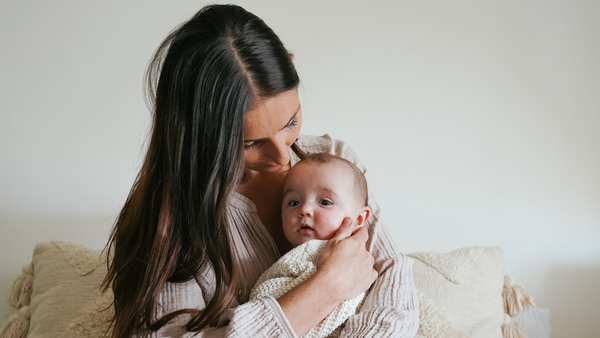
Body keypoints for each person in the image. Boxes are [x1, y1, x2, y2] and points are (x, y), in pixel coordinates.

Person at [102, 4, 419, 338]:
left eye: (290, 122)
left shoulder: (334, 159)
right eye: (249, 143)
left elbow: (393, 285)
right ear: (196, 132)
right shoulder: (173, 222)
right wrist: (326, 288)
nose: (283, 154)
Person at [250, 153, 373, 338]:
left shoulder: (361, 258)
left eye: (324, 202)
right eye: (293, 202)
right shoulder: (296, 257)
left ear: (359, 219)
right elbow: (264, 300)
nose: (304, 209)